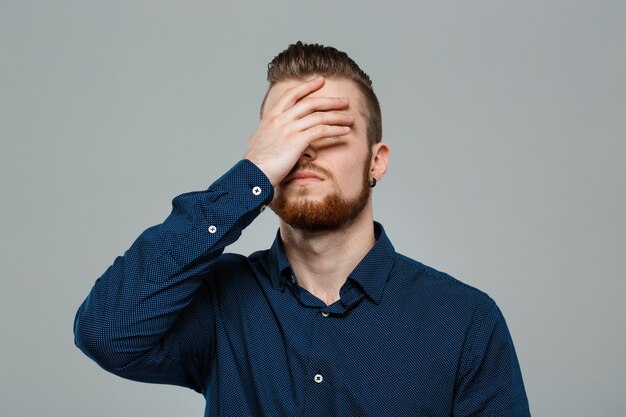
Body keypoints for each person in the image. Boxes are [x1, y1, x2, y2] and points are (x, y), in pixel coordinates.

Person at [74, 41, 531, 416]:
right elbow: (107, 333)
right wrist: (250, 175)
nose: (304, 153)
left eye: (328, 131)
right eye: (288, 133)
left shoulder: (465, 321)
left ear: (377, 161)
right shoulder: (218, 301)